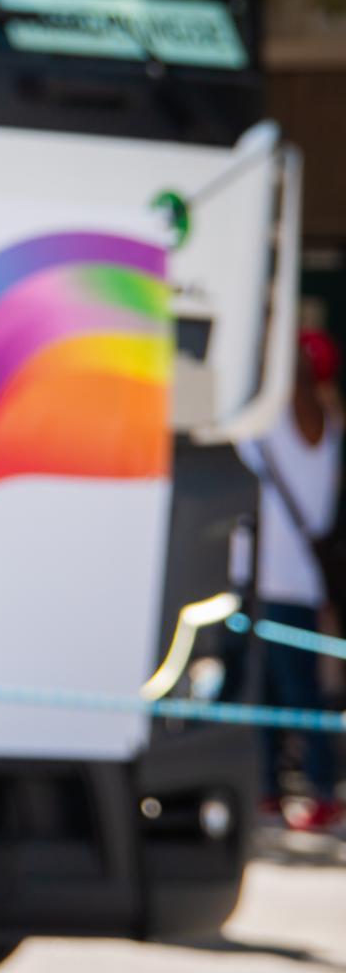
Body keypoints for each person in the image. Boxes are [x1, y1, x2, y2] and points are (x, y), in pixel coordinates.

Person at [235, 327, 343, 832]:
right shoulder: (331, 423)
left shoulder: (274, 420)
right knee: (291, 691)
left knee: (286, 693)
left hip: (275, 581)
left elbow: (237, 435)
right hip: (304, 581)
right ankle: (274, 790)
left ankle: (315, 789)